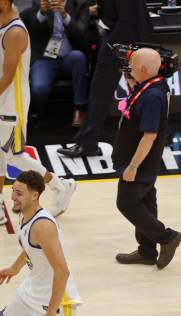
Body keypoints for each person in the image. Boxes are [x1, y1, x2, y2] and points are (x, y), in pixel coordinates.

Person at [0, 171, 132, 316]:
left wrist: (50, 313)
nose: (14, 198)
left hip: (58, 301)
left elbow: (62, 271)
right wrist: (14, 267)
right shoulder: (27, 216)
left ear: (35, 195)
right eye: (13, 192)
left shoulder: (43, 225)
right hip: (32, 290)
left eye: (19, 193)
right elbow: (31, 246)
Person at [0, 0, 76, 227]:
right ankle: (58, 186)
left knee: (10, 154)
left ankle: (60, 187)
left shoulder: (14, 32)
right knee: (5, 155)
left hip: (12, 102)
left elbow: (7, 76)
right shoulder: (4, 18)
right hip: (4, 98)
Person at [111, 48, 181, 269]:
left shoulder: (153, 96)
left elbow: (149, 135)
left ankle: (167, 237)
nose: (128, 68)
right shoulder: (152, 84)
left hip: (140, 162)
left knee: (127, 203)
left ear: (143, 69)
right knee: (146, 202)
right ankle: (147, 251)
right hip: (142, 161)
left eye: (132, 65)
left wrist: (133, 166)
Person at [57, 0, 151, 157]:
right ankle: (88, 142)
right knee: (139, 87)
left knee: (101, 91)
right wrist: (99, 11)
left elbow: (128, 19)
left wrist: (111, 46)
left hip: (124, 39)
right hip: (123, 36)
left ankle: (87, 143)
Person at [22, 0, 90, 126]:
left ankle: (80, 109)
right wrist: (41, 13)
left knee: (78, 57)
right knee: (39, 88)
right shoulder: (38, 3)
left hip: (68, 57)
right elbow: (33, 34)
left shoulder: (79, 4)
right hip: (45, 58)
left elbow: (81, 33)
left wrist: (65, 16)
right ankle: (40, 115)